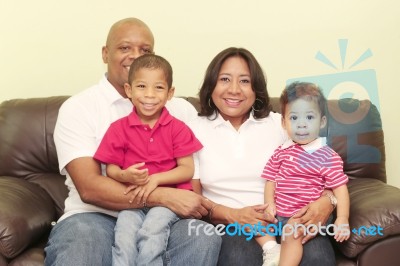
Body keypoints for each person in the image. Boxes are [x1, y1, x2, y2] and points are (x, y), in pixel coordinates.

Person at [44, 18, 221, 266]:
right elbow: (90, 188)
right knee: (82, 247)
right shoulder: (79, 108)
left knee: (203, 236)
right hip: (95, 215)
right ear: (105, 53)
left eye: (145, 50)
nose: (135, 56)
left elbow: (197, 173)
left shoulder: (180, 110)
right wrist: (163, 196)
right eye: (125, 48)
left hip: (168, 216)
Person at [189, 47, 338, 266]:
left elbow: (327, 169)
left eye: (245, 81)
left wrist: (328, 202)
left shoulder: (279, 124)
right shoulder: (193, 130)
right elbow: (194, 200)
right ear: (211, 84)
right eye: (224, 79)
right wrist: (233, 215)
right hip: (232, 225)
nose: (234, 89)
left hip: (290, 218)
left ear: (256, 88)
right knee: (239, 258)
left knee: (317, 257)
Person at [93, 54, 203, 265]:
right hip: (132, 200)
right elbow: (111, 169)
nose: (149, 95)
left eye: (158, 88)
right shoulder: (118, 129)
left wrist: (156, 180)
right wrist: (125, 174)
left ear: (170, 93)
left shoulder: (178, 128)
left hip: (169, 201)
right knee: (124, 237)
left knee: (152, 232)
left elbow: (187, 169)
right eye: (142, 86)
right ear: (129, 90)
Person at [260, 81, 350, 266]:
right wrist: (269, 203)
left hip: (309, 215)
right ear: (284, 123)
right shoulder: (281, 151)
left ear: (322, 121)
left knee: (293, 230)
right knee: (254, 222)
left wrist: (342, 218)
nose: (301, 125)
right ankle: (272, 250)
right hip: (281, 214)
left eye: (309, 117)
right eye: (294, 118)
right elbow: (271, 180)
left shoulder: (326, 155)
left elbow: (340, 190)